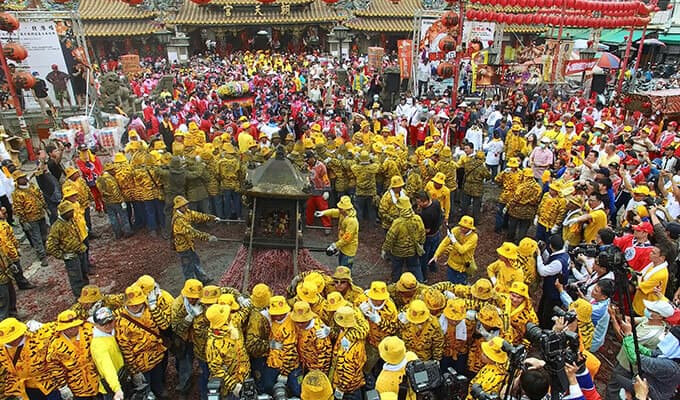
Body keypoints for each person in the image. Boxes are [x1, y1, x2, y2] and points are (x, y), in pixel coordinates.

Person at [115, 284, 168, 399]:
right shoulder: (120, 321)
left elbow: (164, 325)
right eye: (131, 304)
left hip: (156, 356)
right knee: (145, 390)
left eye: (137, 303)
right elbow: (125, 349)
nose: (135, 306)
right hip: (140, 363)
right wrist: (135, 371)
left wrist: (154, 308)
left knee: (158, 381)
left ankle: (160, 392)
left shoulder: (150, 309)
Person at [616, 319, 680, 400]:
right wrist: (632, 339)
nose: (665, 337)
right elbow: (648, 352)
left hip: (648, 395)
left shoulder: (669, 365)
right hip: (642, 386)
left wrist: (628, 335)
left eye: (669, 337)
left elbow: (635, 358)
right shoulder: (668, 355)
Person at [46, 309, 101, 400]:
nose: (72, 329)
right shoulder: (55, 344)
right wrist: (63, 387)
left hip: (97, 377)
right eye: (68, 328)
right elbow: (55, 367)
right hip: (76, 385)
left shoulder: (89, 331)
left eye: (74, 326)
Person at [205, 303, 250, 400]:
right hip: (229, 388)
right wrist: (233, 386)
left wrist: (247, 302)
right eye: (227, 314)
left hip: (244, 377)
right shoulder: (213, 343)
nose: (230, 314)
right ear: (223, 320)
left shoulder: (232, 325)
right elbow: (216, 369)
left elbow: (242, 314)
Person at [46, 201, 89, 298]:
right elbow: (50, 246)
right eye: (70, 211)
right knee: (76, 279)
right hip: (72, 257)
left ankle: (88, 296)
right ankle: (80, 298)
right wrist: (62, 255)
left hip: (80, 251)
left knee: (84, 275)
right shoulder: (57, 227)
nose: (72, 213)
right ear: (64, 213)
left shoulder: (71, 220)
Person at [171, 195, 218, 283]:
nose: (186, 206)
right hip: (183, 248)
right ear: (179, 207)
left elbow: (198, 215)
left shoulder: (187, 212)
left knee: (195, 261)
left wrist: (212, 218)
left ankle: (202, 278)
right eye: (183, 206)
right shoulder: (178, 220)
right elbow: (191, 232)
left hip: (189, 245)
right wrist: (207, 237)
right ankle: (191, 285)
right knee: (188, 267)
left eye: (186, 204)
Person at [382, 197, 426, 283]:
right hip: (412, 251)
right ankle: (420, 285)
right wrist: (421, 243)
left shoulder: (397, 223)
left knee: (396, 271)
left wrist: (385, 249)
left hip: (398, 253)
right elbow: (422, 233)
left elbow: (390, 238)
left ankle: (396, 286)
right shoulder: (417, 219)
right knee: (415, 268)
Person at [12, 169, 49, 266]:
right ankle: (42, 255)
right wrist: (24, 221)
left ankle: (45, 249)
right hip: (30, 218)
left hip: (40, 214)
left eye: (24, 177)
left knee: (44, 234)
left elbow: (40, 197)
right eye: (21, 178)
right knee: (36, 238)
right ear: (17, 180)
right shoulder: (17, 194)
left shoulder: (32, 187)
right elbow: (18, 209)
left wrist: (46, 208)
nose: (24, 179)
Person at [90, 307, 126, 400]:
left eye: (110, 321)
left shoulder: (115, 331)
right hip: (112, 386)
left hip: (122, 376)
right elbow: (107, 368)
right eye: (103, 324)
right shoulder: (98, 345)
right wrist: (117, 389)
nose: (108, 325)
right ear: (96, 325)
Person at [431, 215, 478, 284]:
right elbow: (445, 243)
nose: (462, 229)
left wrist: (453, 240)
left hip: (462, 268)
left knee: (460, 287)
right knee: (450, 284)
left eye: (465, 227)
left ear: (470, 228)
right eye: (461, 226)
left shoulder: (473, 237)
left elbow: (462, 250)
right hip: (451, 264)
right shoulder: (456, 230)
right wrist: (436, 254)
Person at [536, 235, 570, 328]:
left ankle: (543, 331)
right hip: (551, 291)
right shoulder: (564, 255)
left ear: (551, 246)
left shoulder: (558, 262)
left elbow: (542, 271)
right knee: (542, 309)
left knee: (548, 316)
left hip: (553, 293)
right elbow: (550, 259)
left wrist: (539, 255)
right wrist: (543, 252)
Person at [318, 195, 358, 268]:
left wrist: (335, 246)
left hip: (349, 251)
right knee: (341, 267)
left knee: (345, 269)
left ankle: (346, 279)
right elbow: (334, 211)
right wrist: (323, 213)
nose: (339, 209)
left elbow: (346, 238)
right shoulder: (343, 213)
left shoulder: (352, 222)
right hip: (342, 247)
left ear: (345, 209)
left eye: (340, 208)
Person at [632, 246, 669, 316]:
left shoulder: (660, 274)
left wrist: (638, 278)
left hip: (646, 309)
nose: (650, 254)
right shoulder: (652, 265)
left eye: (653, 253)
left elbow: (639, 287)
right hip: (639, 303)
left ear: (662, 258)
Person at [415, 190, 442, 281]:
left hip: (429, 237)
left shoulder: (426, 214)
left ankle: (424, 276)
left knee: (423, 257)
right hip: (437, 233)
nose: (418, 204)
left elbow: (427, 230)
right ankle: (433, 267)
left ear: (424, 201)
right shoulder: (436, 202)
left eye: (419, 202)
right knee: (434, 253)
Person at [305, 150, 332, 234]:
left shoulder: (321, 166)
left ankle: (327, 226)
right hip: (310, 191)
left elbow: (325, 179)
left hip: (320, 191)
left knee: (323, 209)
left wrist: (326, 191)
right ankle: (309, 224)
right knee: (309, 208)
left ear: (312, 158)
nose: (306, 161)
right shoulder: (306, 166)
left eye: (308, 159)